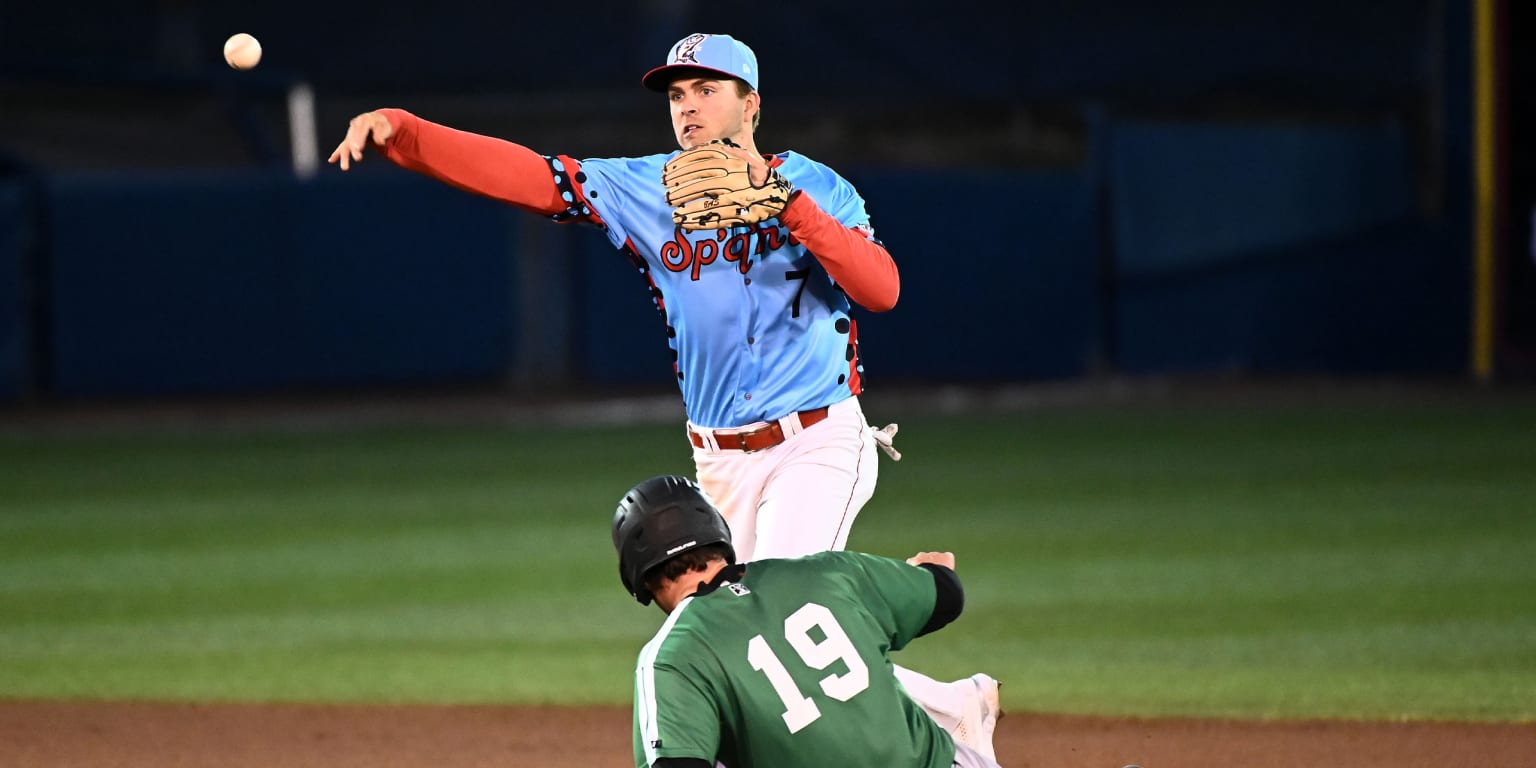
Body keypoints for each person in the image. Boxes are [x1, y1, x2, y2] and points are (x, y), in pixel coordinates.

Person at [328, 31, 995, 739]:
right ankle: (954, 708)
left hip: (819, 440)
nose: (688, 107)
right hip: (718, 463)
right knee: (732, 636)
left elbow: (883, 290)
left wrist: (787, 207)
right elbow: (532, 176)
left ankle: (939, 738)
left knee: (776, 616)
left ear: (751, 105)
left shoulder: (816, 185)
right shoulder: (647, 188)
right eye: (677, 95)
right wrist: (406, 133)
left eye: (707, 90)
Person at [611, 475, 1002, 768]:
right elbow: (945, 597)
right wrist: (933, 571)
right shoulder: (826, 573)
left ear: (641, 577)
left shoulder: (670, 657)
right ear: (717, 534)